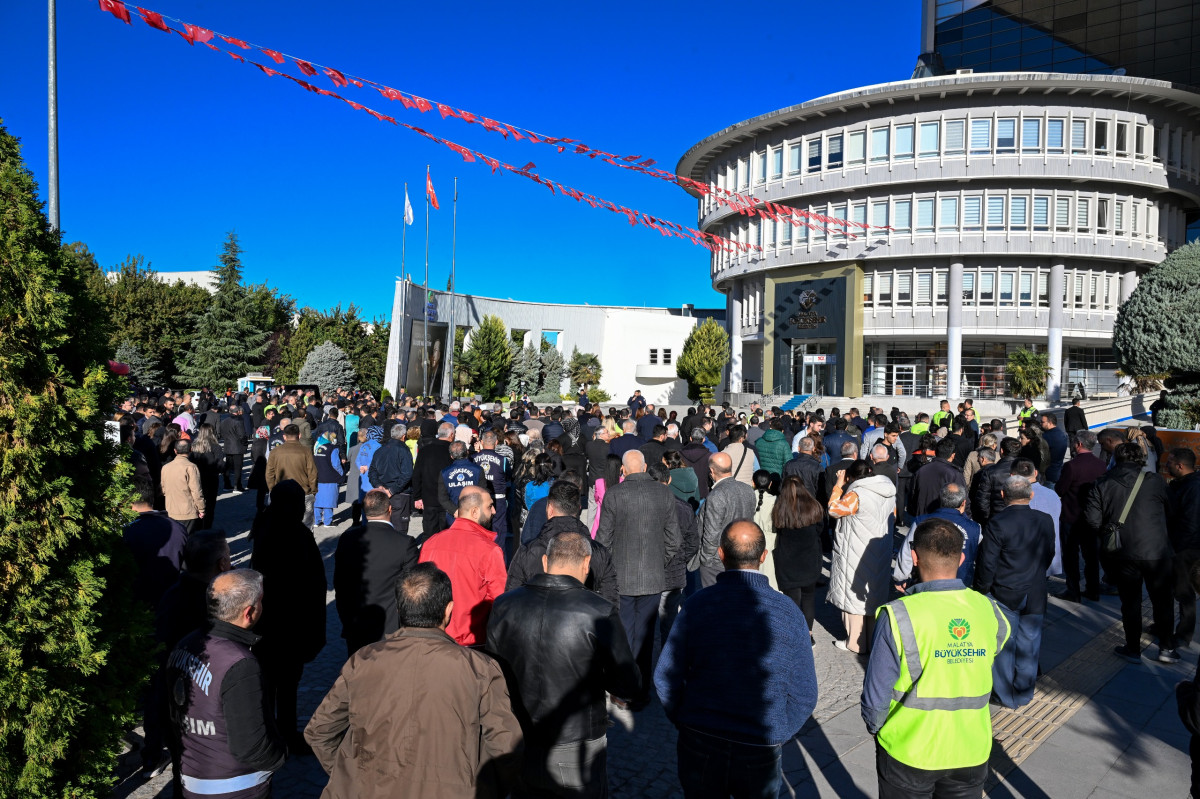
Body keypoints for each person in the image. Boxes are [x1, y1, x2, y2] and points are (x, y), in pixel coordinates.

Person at [305, 563, 523, 797]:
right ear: (449, 610)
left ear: (399, 610)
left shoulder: (363, 660)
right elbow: (506, 747)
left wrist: (352, 775)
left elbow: (320, 730)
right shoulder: (479, 668)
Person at [655, 521, 818, 799]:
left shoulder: (697, 605)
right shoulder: (788, 613)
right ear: (764, 556)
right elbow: (804, 694)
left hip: (701, 739)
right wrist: (776, 732)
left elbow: (665, 676)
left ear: (720, 554)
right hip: (758, 747)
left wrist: (686, 719)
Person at [862, 518, 1012, 799]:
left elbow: (875, 698)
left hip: (909, 750)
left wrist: (877, 728)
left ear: (915, 557)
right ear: (962, 557)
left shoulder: (898, 614)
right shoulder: (990, 610)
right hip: (970, 748)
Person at [488, 532, 640, 798]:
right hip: (575, 742)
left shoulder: (503, 605)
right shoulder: (599, 611)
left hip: (518, 736)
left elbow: (492, 673)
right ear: (586, 565)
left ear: (545, 562)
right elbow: (627, 682)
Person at [165, 569, 287, 798]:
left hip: (190, 777)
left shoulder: (184, 644)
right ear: (249, 612)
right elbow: (250, 746)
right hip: (236, 787)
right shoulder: (240, 664)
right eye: (261, 601)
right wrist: (280, 755)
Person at [595, 450, 682, 708]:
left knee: (624, 635)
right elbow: (674, 540)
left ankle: (624, 690)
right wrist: (659, 560)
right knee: (644, 637)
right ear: (645, 466)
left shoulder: (615, 494)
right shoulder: (663, 493)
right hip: (653, 577)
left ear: (623, 470)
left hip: (621, 576)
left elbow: (603, 540)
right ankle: (641, 691)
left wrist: (608, 570)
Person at [250, 481, 327, 753]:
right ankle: (283, 732)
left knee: (270, 681)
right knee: (286, 683)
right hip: (290, 622)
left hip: (267, 621)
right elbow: (313, 583)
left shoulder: (264, 525)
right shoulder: (295, 534)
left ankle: (270, 731)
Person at [1086, 442, 1179, 663]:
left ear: (1115, 458)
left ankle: (1133, 649)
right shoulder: (1155, 481)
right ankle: (1166, 649)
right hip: (1156, 550)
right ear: (1141, 459)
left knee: (1130, 601)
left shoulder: (1102, 483)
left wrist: (1110, 531)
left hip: (1122, 552)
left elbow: (1092, 521)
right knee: (1163, 600)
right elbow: (1172, 511)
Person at [974, 475, 1055, 708]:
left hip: (1005, 591)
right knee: (1030, 645)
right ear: (1031, 495)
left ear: (1002, 495)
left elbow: (987, 564)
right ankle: (1024, 692)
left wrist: (981, 590)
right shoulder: (1045, 519)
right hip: (1036, 590)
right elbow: (1048, 553)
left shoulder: (997, 523)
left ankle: (1004, 694)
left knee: (1004, 645)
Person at [334, 488, 420, 656]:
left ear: (365, 512)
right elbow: (411, 588)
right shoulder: (404, 543)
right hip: (390, 627)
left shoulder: (347, 539)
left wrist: (345, 617)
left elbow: (340, 583)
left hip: (355, 623)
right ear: (389, 509)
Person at [418, 485, 507, 647]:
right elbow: (499, 600)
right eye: (489, 506)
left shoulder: (430, 544)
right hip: (472, 640)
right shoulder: (490, 550)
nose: (494, 511)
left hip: (433, 638)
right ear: (474, 512)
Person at [506, 480, 619, 605]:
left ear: (549, 509)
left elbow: (512, 598)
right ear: (579, 509)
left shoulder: (527, 551)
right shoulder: (599, 552)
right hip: (585, 621)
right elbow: (611, 602)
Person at [827, 459, 897, 654]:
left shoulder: (856, 494)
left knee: (853, 596)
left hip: (856, 549)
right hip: (879, 548)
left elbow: (833, 510)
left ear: (852, 476)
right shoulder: (888, 491)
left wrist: (839, 486)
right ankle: (872, 639)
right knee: (873, 595)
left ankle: (855, 642)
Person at [1053, 430, 1107, 603]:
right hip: (1093, 519)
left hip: (1071, 516)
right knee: (1091, 556)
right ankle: (1093, 590)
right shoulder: (1101, 465)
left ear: (1078, 444)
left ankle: (1073, 590)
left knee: (1071, 555)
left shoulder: (1072, 466)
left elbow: (1060, 489)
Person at [895, 482, 981, 588]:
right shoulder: (975, 528)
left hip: (925, 581)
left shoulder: (921, 521)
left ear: (941, 499)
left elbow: (907, 551)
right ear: (963, 503)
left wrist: (900, 577)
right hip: (961, 582)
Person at [693, 451, 758, 589]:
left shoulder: (716, 495)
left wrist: (706, 561)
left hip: (717, 562)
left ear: (711, 471)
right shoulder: (748, 490)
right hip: (741, 557)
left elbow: (711, 534)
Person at [772, 476, 825, 638]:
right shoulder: (814, 507)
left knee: (792, 600)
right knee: (809, 598)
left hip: (788, 561)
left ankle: (794, 634)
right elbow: (820, 530)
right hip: (810, 559)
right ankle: (808, 634)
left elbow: (777, 530)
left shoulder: (780, 508)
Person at [1168, 448, 1200, 647]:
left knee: (1184, 592)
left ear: (1180, 466)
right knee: (1175, 590)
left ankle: (1183, 635)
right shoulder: (1184, 483)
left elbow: (1190, 522)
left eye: (1170, 462)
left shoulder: (1193, 488)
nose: (1167, 465)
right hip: (1181, 546)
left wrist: (1176, 549)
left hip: (1187, 549)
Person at [265, 424, 318, 526]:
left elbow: (269, 473)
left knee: (282, 524)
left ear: (284, 436)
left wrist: (272, 489)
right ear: (299, 435)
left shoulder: (275, 451)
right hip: (304, 492)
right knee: (305, 526)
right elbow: (312, 472)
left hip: (281, 492)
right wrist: (313, 490)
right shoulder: (306, 451)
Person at [368, 423, 416, 533]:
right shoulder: (403, 450)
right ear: (404, 436)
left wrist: (379, 486)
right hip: (398, 494)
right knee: (399, 529)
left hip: (385, 492)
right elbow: (407, 473)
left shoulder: (380, 450)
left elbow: (372, 472)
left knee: (384, 528)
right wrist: (390, 489)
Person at [411, 422, 455, 540]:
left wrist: (417, 496)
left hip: (428, 498)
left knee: (430, 535)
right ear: (451, 435)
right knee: (447, 536)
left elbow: (416, 474)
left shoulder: (425, 450)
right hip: (448, 500)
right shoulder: (452, 452)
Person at [906, 437, 966, 519]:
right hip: (944, 521)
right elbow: (963, 499)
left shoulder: (921, 470)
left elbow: (912, 495)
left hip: (922, 518)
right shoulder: (955, 474)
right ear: (953, 455)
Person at [161, 439, 205, 534]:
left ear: (175, 451)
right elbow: (196, 491)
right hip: (188, 512)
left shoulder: (165, 467)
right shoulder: (191, 467)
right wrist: (201, 508)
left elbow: (164, 489)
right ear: (191, 449)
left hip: (171, 510)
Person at [438, 441, 485, 527]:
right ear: (467, 452)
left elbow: (442, 498)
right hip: (473, 515)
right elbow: (483, 493)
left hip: (454, 517)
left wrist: (454, 510)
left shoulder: (444, 473)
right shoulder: (478, 470)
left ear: (451, 456)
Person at [752, 469, 780, 589]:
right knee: (770, 576)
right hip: (770, 541)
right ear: (770, 484)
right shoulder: (775, 500)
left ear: (753, 483)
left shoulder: (748, 498)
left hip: (751, 539)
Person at [313, 431, 344, 528]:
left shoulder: (317, 447)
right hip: (330, 477)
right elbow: (336, 464)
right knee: (329, 499)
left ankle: (316, 521)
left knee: (318, 500)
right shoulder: (333, 448)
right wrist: (341, 473)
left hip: (319, 477)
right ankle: (328, 521)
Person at [219, 404, 248, 493]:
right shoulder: (238, 421)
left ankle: (227, 484)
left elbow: (221, 433)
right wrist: (245, 443)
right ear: (237, 412)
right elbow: (242, 435)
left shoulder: (224, 421)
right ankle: (237, 486)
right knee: (238, 467)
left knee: (228, 466)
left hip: (228, 445)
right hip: (237, 447)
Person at [1039, 412, 1069, 486]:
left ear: (1050, 423)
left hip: (1048, 474)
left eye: (1042, 422)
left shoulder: (1046, 437)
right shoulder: (1062, 434)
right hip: (1057, 471)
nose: (1040, 424)